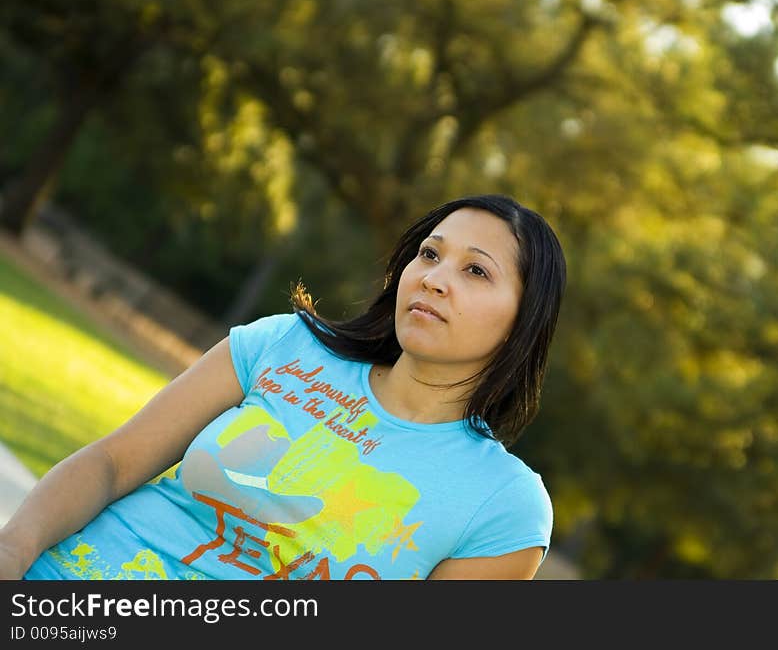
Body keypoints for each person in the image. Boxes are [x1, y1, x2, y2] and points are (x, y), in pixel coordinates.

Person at [0, 193, 566, 580]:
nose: (435, 279)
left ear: (525, 317)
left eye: (476, 271)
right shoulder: (283, 345)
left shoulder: (504, 507)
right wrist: (13, 549)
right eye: (429, 254)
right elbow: (111, 463)